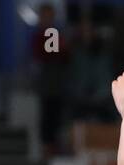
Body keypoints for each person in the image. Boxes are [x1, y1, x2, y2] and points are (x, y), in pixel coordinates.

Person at [31, 2, 69, 155]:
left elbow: (58, 55)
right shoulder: (42, 35)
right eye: (44, 16)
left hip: (56, 82)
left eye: (49, 16)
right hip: (47, 82)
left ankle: (54, 144)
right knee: (47, 114)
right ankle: (48, 145)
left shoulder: (52, 33)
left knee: (55, 114)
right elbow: (48, 54)